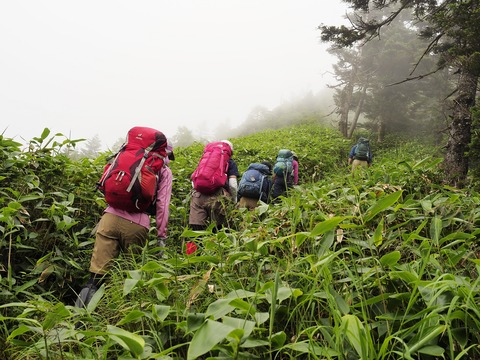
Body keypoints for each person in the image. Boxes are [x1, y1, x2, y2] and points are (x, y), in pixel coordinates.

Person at [75, 136, 175, 308]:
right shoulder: (164, 171)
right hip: (137, 225)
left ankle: (78, 320)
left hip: (109, 219)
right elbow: (163, 206)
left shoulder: (124, 157)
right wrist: (161, 236)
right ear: (165, 152)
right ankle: (121, 315)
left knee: (96, 276)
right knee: (131, 276)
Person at [188, 140, 239, 232]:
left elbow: (194, 180)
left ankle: (193, 246)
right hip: (218, 196)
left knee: (195, 232)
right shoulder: (230, 162)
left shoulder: (205, 159)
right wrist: (234, 200)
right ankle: (215, 246)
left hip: (198, 195)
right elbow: (233, 185)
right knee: (219, 230)